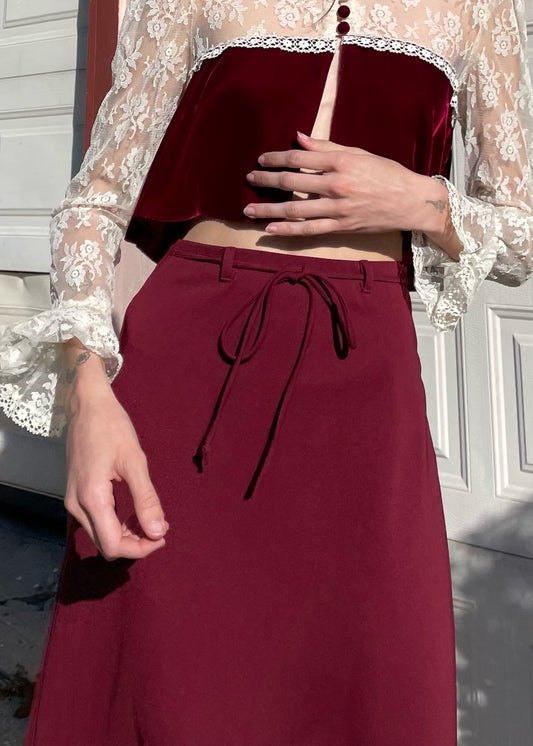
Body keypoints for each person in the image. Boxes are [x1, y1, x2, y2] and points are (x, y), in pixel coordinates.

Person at [1, 0, 532, 743]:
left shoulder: (477, 8)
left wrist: (416, 198)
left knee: (370, 663)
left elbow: (521, 232)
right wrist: (88, 395)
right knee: (156, 659)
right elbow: (93, 202)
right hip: (187, 355)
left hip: (361, 366)